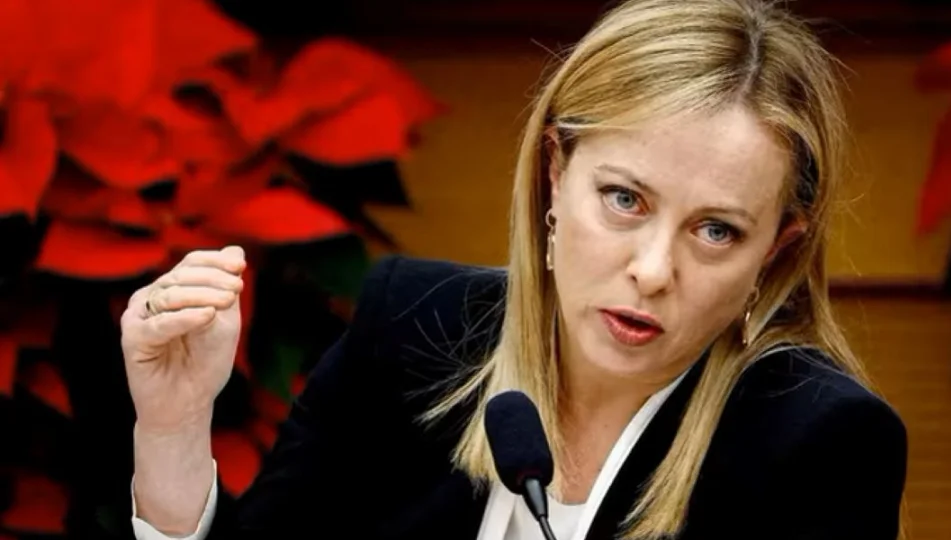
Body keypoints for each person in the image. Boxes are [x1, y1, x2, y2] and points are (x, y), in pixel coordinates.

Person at [121, 0, 908, 538]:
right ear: (554, 175)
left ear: (774, 251)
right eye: (625, 199)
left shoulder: (820, 443)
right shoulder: (412, 328)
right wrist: (173, 430)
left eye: (715, 231)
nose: (653, 270)